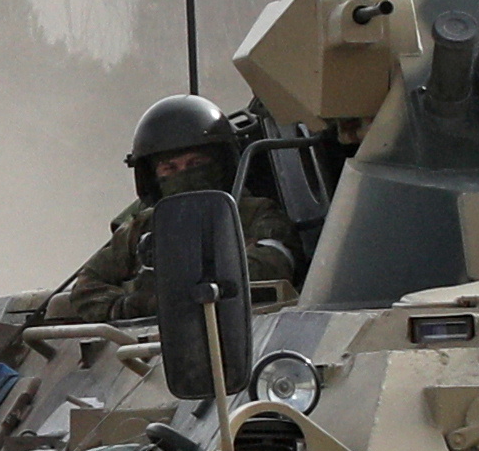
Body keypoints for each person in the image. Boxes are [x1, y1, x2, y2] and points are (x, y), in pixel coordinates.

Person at [33, 93, 294, 325]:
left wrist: (179, 283)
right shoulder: (140, 228)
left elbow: (273, 262)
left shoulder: (255, 213)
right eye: (170, 169)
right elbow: (88, 286)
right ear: (154, 177)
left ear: (221, 164)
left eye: (195, 163)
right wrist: (129, 304)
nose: (184, 175)